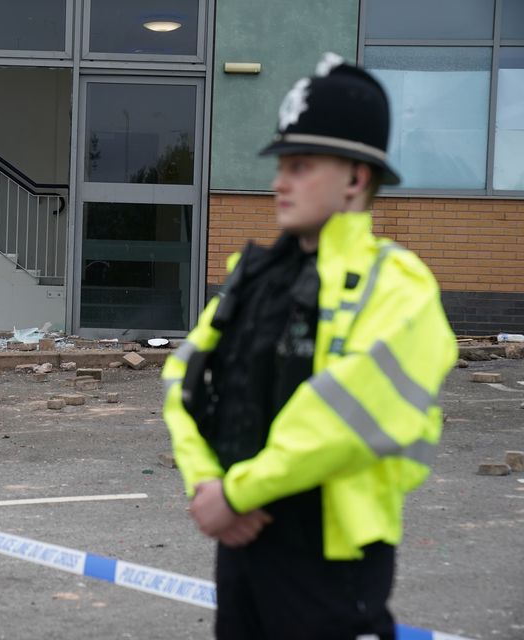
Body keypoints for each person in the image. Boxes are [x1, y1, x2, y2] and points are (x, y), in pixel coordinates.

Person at [162, 53, 456, 639]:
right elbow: (183, 380)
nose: (278, 183)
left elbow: (340, 418)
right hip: (241, 543)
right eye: (281, 165)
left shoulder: (399, 286)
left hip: (330, 561)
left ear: (356, 177)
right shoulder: (253, 273)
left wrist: (235, 493)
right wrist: (205, 485)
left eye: (299, 165)